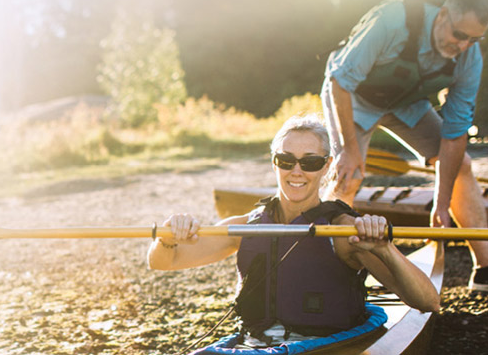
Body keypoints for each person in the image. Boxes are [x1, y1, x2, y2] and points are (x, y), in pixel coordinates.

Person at [148, 115, 439, 349]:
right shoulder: (247, 226)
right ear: (274, 162)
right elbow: (163, 261)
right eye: (286, 160)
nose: (296, 171)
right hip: (256, 345)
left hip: (324, 346)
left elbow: (427, 301)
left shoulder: (342, 230)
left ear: (326, 167)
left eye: (310, 162)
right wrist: (168, 237)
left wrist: (384, 248)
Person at [320, 0, 488, 294]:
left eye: (474, 39)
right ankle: (326, 271)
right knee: (349, 176)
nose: (463, 46)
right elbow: (341, 82)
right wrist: (350, 150)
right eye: (459, 35)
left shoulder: (469, 57)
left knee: (460, 164)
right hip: (352, 97)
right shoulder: (392, 19)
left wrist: (443, 203)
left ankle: (487, 269)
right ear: (443, 15)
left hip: (406, 104)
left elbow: (454, 134)